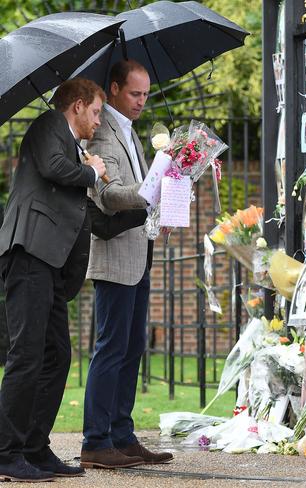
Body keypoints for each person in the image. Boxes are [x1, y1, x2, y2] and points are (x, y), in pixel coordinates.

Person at [0, 78, 107, 482]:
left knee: (56, 354)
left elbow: (81, 210)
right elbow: (53, 168)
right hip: (29, 253)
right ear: (77, 106)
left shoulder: (72, 147)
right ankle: (5, 451)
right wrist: (92, 171)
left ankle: (33, 446)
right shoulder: (49, 125)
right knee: (27, 354)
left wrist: (142, 210)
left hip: (49, 263)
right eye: (96, 112)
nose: (98, 121)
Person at [80, 60, 172, 469]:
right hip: (115, 256)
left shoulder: (130, 132)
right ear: (114, 88)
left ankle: (121, 434)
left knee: (132, 347)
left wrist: (166, 198)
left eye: (146, 95)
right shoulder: (101, 132)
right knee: (111, 348)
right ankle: (96, 441)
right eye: (135, 94)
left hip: (138, 252)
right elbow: (111, 196)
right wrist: (157, 187)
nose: (141, 102)